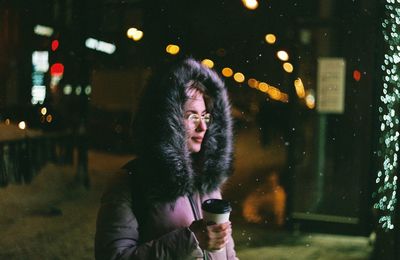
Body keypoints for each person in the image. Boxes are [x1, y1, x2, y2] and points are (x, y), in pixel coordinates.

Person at [95, 57, 237, 260]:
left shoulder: (207, 183)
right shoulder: (130, 183)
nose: (203, 127)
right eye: (192, 116)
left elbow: (229, 255)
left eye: (205, 116)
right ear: (166, 120)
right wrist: (190, 241)